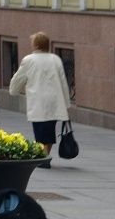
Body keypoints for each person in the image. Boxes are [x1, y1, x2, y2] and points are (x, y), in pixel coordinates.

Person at [8, 31, 71, 168]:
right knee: (49, 129)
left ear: (36, 45)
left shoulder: (29, 60)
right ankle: (45, 155)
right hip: (54, 101)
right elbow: (63, 82)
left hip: (38, 101)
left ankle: (43, 157)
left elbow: (19, 77)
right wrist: (66, 102)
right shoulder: (55, 59)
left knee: (39, 130)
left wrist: (13, 90)